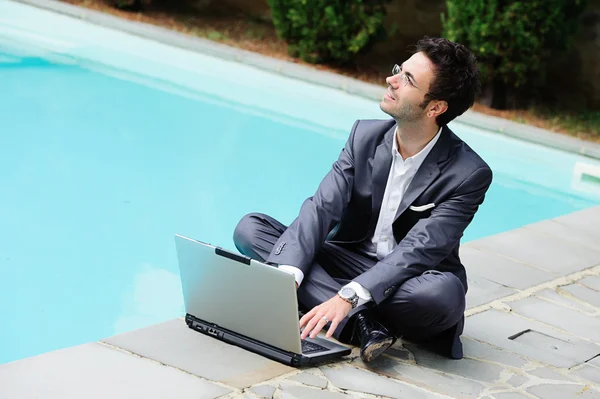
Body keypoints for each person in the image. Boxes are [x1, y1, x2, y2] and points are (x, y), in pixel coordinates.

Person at [233, 36, 492, 363]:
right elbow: (321, 207)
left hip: (409, 280)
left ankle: (327, 301)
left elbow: (421, 249)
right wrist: (290, 274)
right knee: (251, 230)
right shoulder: (364, 136)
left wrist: (350, 294)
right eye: (399, 70)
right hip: (348, 259)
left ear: (436, 107)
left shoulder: (468, 173)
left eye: (407, 79)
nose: (391, 80)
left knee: (443, 296)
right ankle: (362, 324)